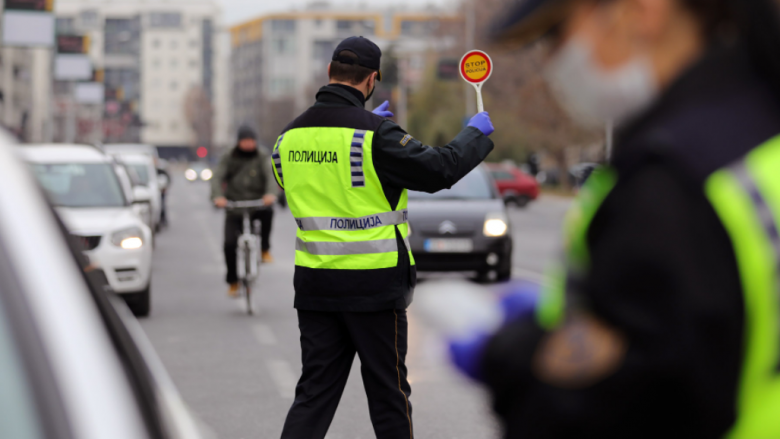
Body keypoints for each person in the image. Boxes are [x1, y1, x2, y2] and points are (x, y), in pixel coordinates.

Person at [440, 0, 780, 438]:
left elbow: (607, 411)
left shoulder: (667, 186)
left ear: (641, 11)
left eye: (557, 34)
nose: (550, 62)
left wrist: (509, 358)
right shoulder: (756, 137)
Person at [273, 36, 495, 439]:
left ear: (329, 73)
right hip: (374, 286)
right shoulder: (375, 134)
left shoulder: (286, 139)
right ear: (372, 79)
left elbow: (308, 179)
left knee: (314, 395)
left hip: (316, 285)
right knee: (388, 396)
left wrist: (362, 130)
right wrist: (474, 135)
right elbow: (439, 170)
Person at [212, 126, 278, 297]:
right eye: (245, 141)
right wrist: (218, 197)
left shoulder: (262, 156)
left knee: (269, 213)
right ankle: (233, 281)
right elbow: (217, 177)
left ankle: (264, 249)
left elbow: (271, 175)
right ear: (239, 142)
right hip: (234, 206)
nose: (249, 144)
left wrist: (270, 194)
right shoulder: (229, 156)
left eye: (251, 140)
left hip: (257, 204)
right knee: (229, 244)